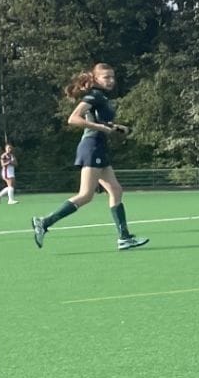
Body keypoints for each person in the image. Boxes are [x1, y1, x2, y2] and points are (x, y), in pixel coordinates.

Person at [31, 63, 148, 251]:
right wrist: (102, 128)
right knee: (86, 195)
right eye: (106, 77)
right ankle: (44, 223)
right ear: (95, 79)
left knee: (116, 190)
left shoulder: (101, 97)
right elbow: (74, 118)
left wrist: (116, 127)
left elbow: (98, 120)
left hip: (99, 147)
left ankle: (124, 238)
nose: (111, 80)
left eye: (112, 77)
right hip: (92, 147)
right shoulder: (94, 95)